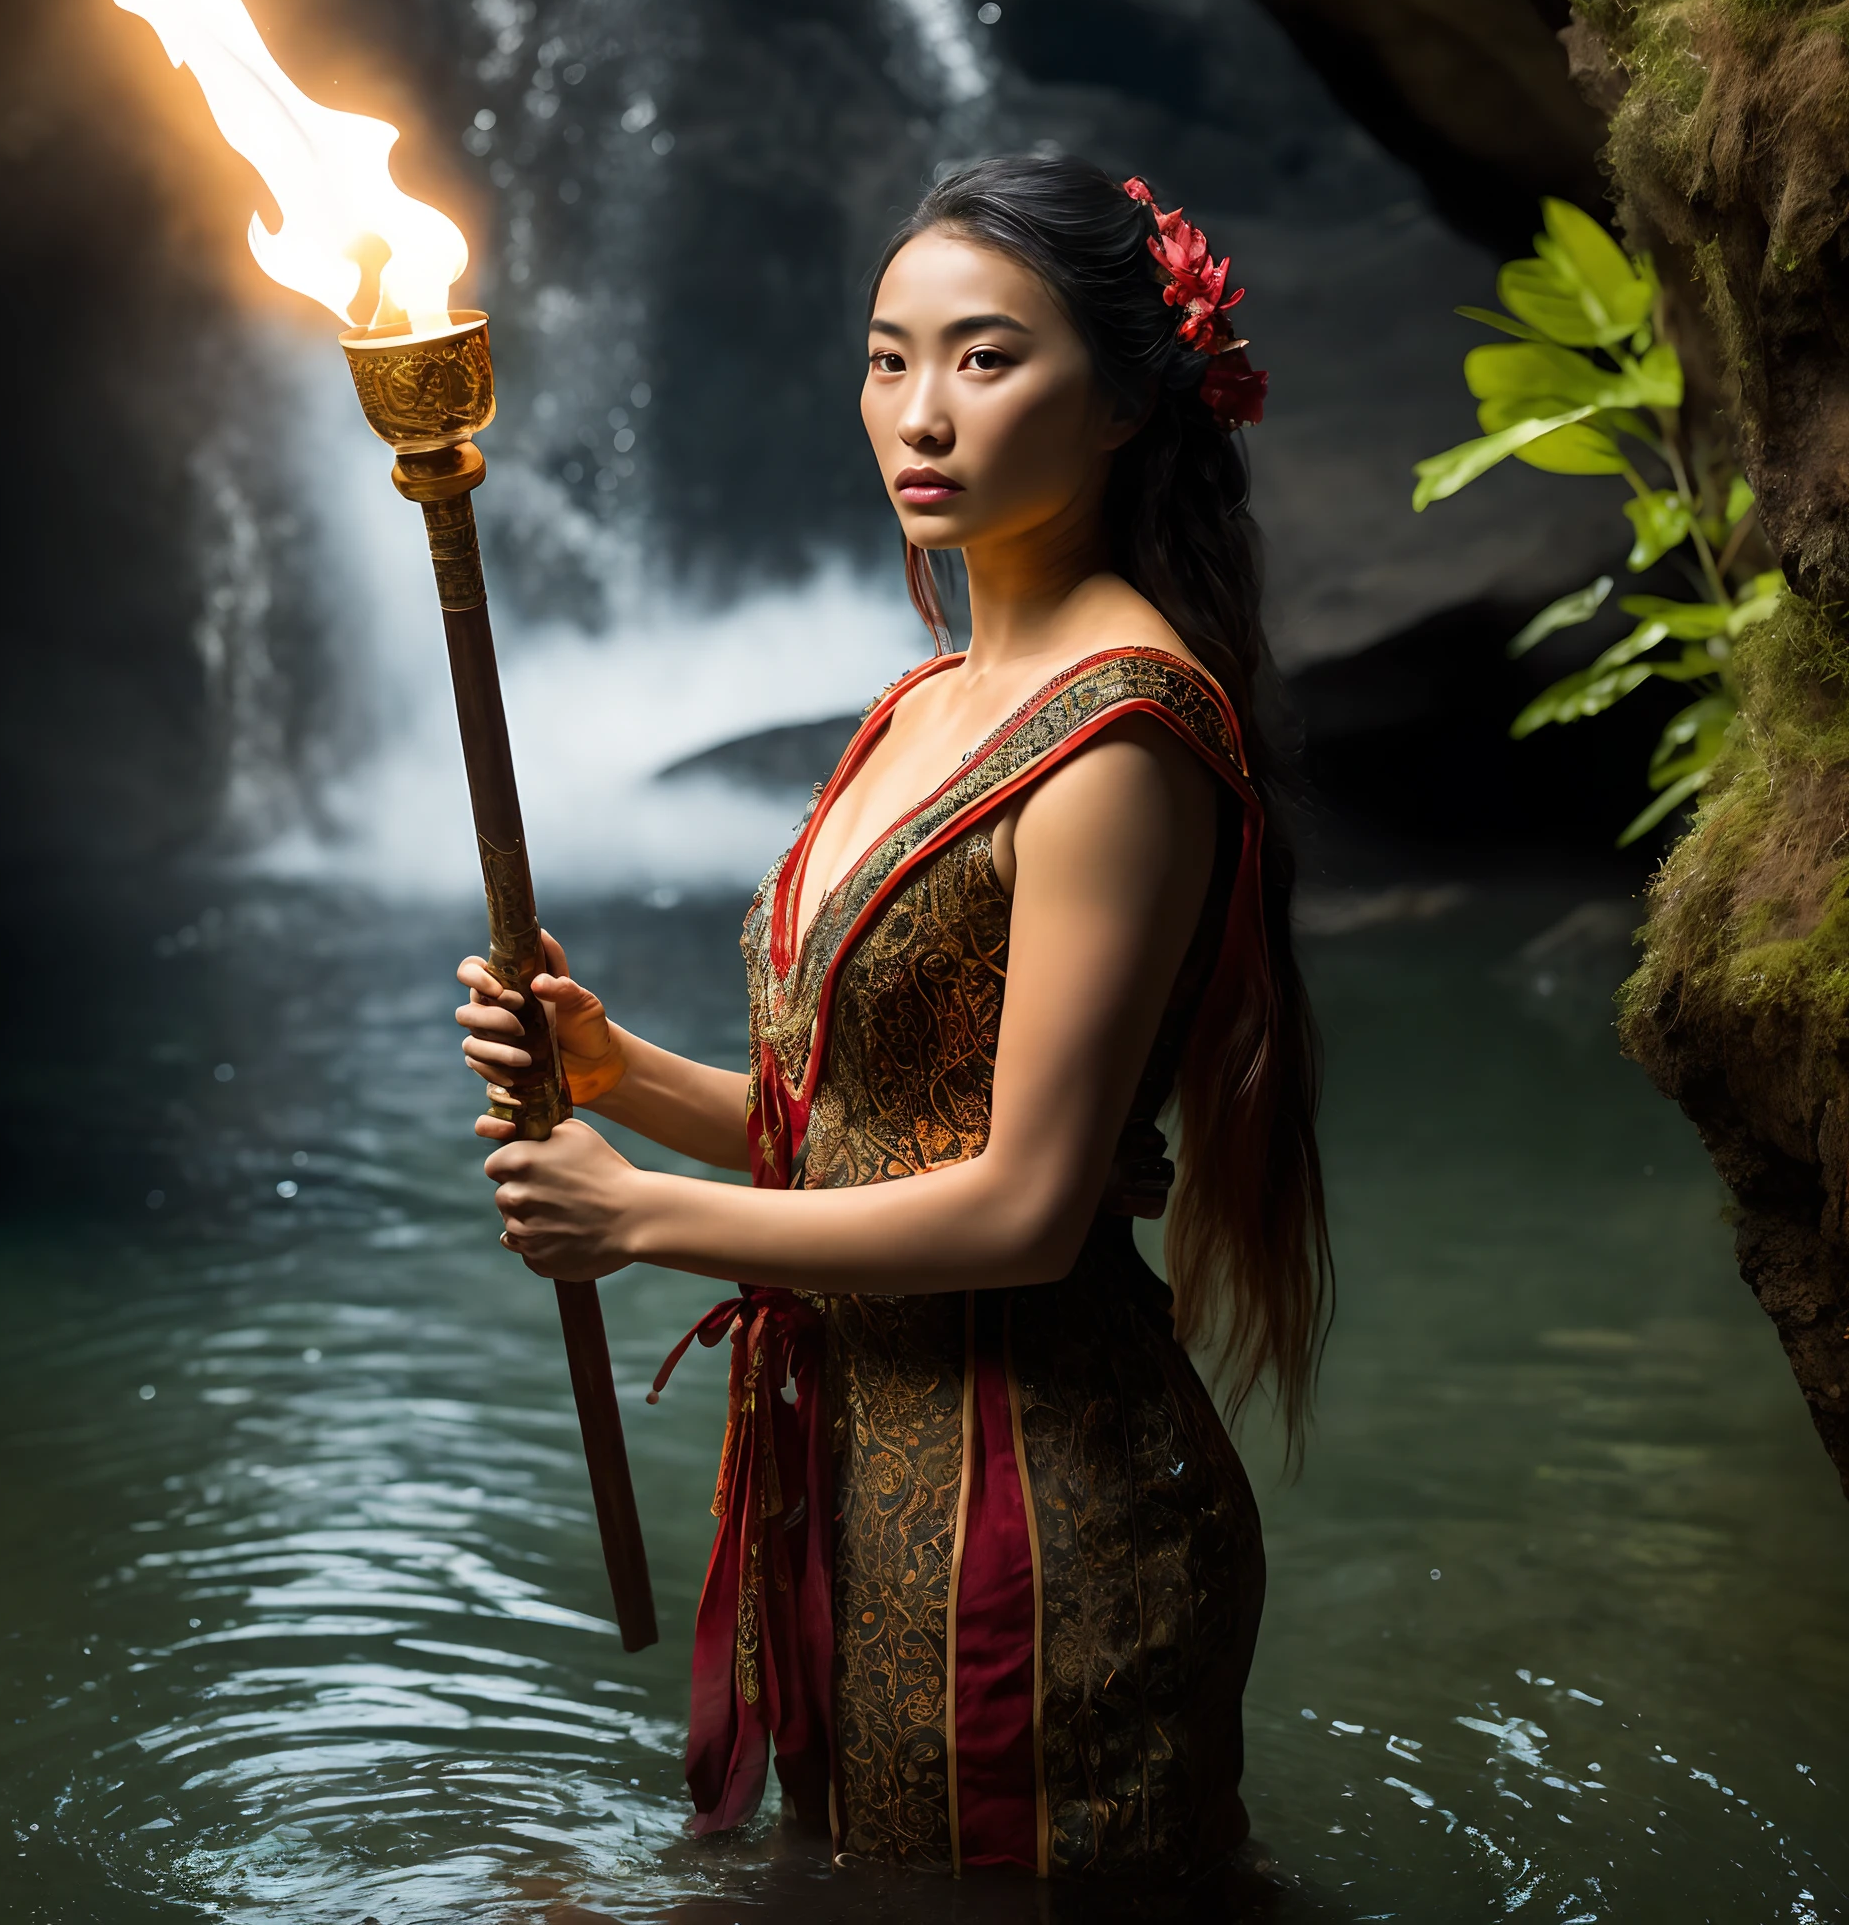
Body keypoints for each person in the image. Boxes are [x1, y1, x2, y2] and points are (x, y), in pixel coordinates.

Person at [453, 154, 1330, 1886]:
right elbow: (846, 1126)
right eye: (886, 357)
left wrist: (642, 1220)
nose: (919, 414)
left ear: (1132, 404)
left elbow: (1021, 1207)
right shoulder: (924, 703)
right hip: (848, 1484)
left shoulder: (1123, 741)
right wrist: (617, 1075)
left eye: (987, 360)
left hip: (1038, 1524)